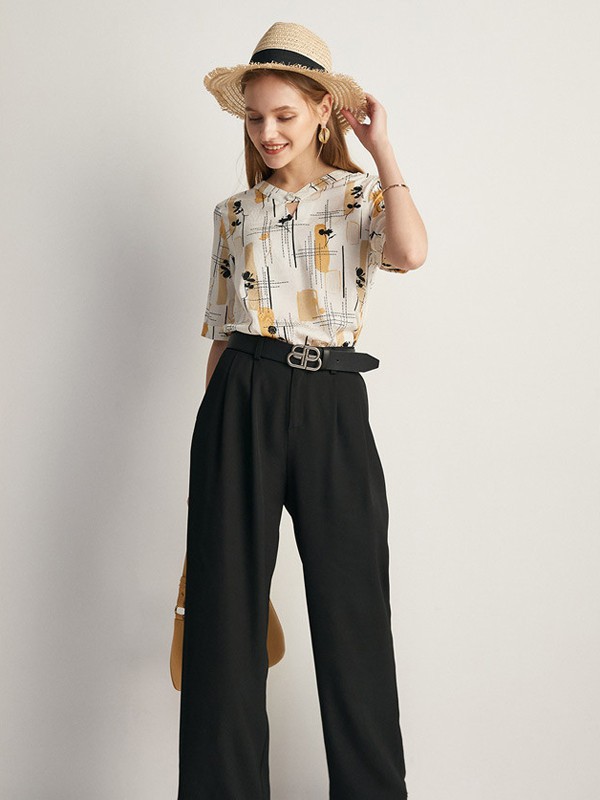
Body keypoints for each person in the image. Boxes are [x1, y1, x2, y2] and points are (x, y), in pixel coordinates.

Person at [177, 21, 427, 800]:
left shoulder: (359, 196)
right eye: (256, 117)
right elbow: (221, 334)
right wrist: (209, 452)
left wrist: (383, 151)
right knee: (225, 619)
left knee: (354, 617)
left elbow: (411, 252)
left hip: (332, 402)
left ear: (322, 111)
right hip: (239, 397)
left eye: (284, 114)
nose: (268, 132)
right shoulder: (233, 213)